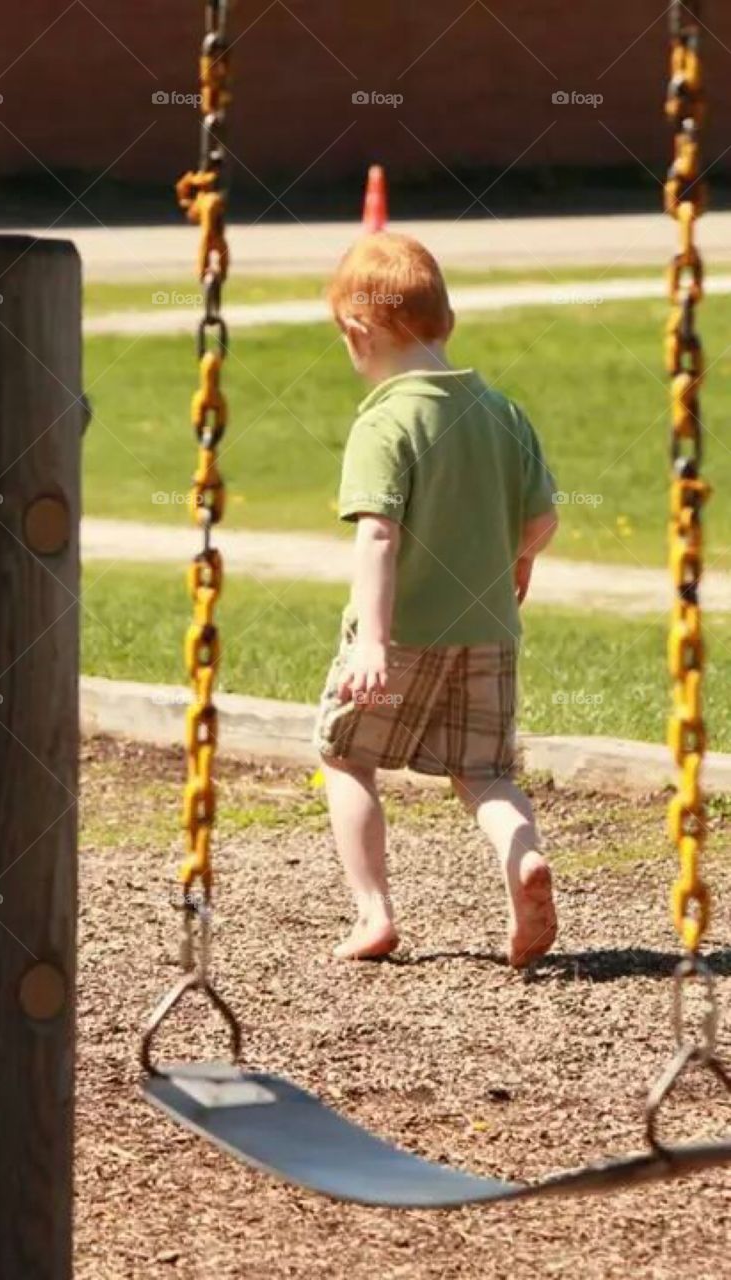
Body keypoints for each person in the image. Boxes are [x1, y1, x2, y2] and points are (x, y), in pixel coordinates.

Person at [314, 231, 559, 966]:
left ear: (357, 332)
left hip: (400, 635)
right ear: (442, 321)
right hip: (488, 629)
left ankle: (373, 914)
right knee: (484, 773)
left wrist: (370, 642)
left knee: (343, 756)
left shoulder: (385, 420)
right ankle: (522, 864)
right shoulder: (501, 412)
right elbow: (541, 519)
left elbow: (380, 538)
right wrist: (517, 559)